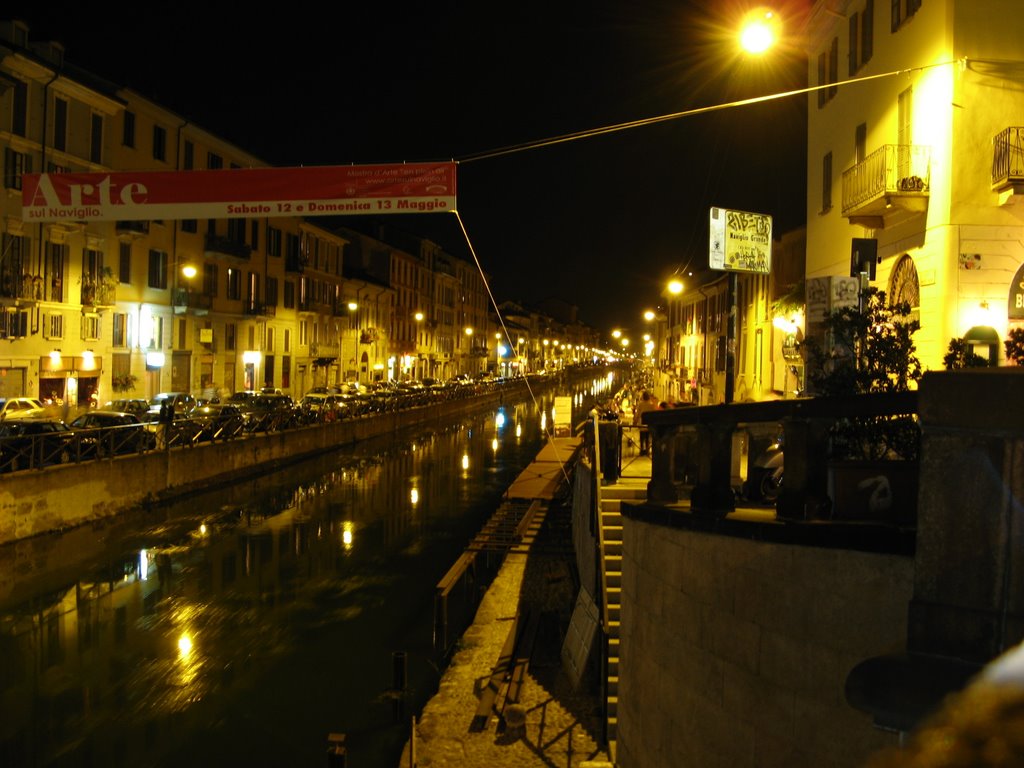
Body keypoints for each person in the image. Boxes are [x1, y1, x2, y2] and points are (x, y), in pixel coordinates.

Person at [633, 391, 660, 455]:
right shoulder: (651, 405)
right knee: (648, 437)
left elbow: (637, 413)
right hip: (649, 423)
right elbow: (654, 413)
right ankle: (647, 450)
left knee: (642, 437)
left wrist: (635, 421)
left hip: (642, 422)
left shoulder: (640, 404)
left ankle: (642, 450)